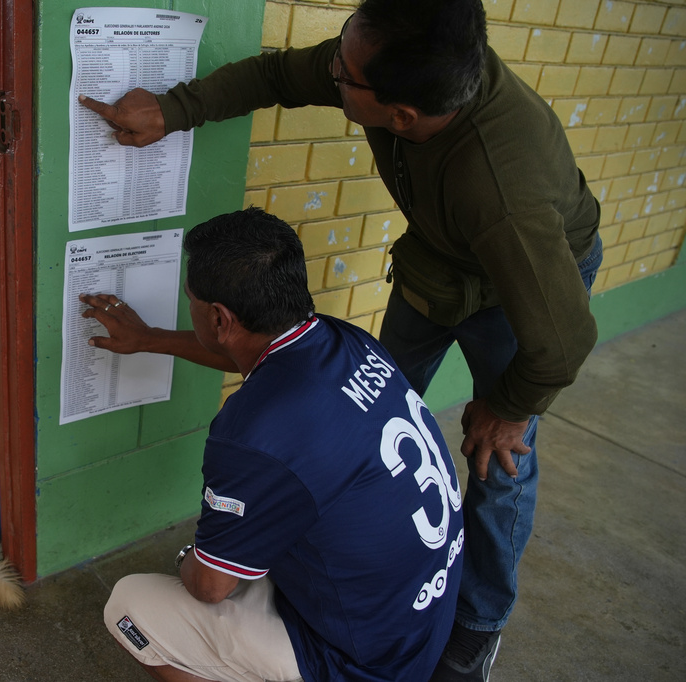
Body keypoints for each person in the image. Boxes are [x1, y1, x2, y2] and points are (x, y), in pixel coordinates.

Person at [78, 1, 604, 680]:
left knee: (498, 460)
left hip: (532, 289)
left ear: (402, 114)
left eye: (345, 74)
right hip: (440, 262)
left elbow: (563, 342)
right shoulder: (341, 341)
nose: (332, 71)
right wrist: (177, 109)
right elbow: (276, 75)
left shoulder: (503, 191)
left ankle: (475, 629)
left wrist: (508, 407)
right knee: (367, 423)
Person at [83, 207, 464, 681]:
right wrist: (150, 339)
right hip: (418, 624)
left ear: (219, 318)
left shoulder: (255, 436)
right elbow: (247, 352)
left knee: (130, 606)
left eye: (192, 300)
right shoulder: (345, 340)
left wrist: (189, 559)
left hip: (363, 664)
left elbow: (210, 587)